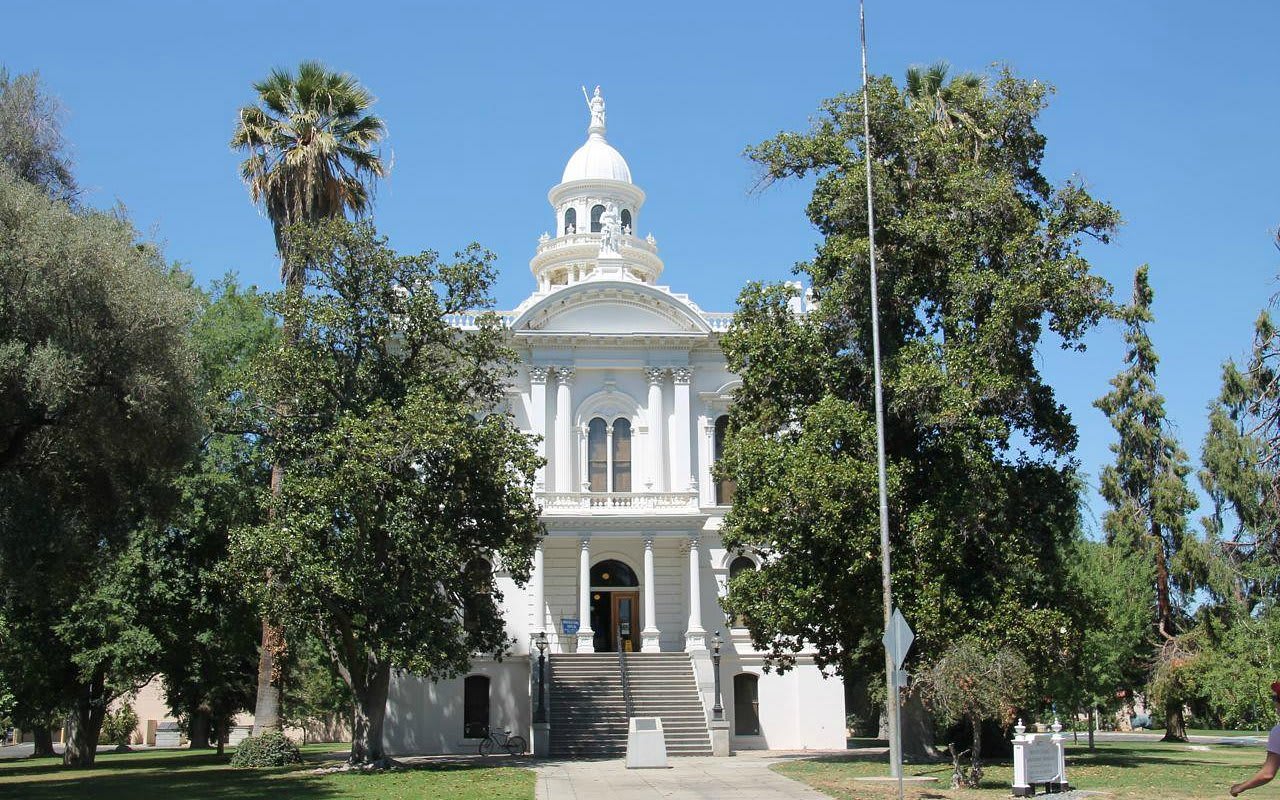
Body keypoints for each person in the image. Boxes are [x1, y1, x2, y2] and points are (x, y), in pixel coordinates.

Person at [1230, 681, 1280, 796]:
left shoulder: (1278, 732)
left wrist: (1240, 787)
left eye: (1275, 699)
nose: (1274, 703)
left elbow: (1267, 774)